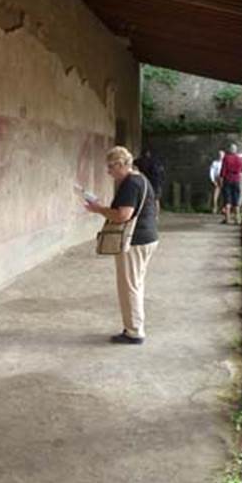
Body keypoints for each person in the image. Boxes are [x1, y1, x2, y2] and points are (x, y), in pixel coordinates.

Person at [85, 146, 159, 345]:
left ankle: (134, 332)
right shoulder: (141, 179)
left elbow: (122, 215)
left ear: (120, 164)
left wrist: (98, 209)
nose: (108, 172)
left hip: (134, 241)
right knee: (135, 284)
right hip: (147, 237)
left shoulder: (130, 183)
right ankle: (134, 326)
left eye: (111, 167)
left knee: (129, 287)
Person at [220, 143, 242, 225]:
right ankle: (237, 219)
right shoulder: (239, 159)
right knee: (236, 199)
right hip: (236, 180)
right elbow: (241, 171)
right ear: (236, 150)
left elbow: (223, 170)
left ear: (230, 150)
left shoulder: (226, 158)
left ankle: (227, 219)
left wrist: (221, 180)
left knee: (227, 199)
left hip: (228, 179)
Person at [209, 149, 225, 214]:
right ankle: (214, 208)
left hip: (224, 179)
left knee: (223, 195)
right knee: (215, 195)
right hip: (217, 178)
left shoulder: (225, 162)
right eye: (219, 155)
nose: (220, 156)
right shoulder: (214, 162)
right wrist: (213, 180)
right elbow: (211, 172)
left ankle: (222, 209)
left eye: (222, 155)